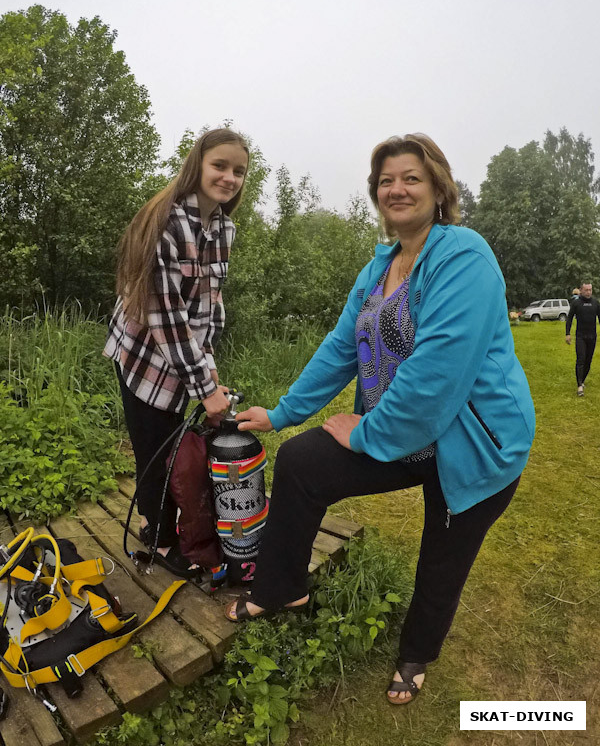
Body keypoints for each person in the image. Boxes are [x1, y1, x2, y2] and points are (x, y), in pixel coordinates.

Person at [224, 133, 535, 706]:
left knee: (442, 550)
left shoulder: (463, 256)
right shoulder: (380, 267)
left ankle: (416, 655)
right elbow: (341, 348)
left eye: (411, 177)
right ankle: (282, 587)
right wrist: (284, 412)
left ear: (439, 187)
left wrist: (367, 434)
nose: (397, 188)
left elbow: (435, 377)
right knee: (302, 461)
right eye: (386, 180)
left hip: (475, 442)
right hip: (407, 433)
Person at [104, 128, 249, 576]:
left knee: (172, 451)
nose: (228, 177)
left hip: (181, 359)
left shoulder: (224, 228)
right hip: (143, 358)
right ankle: (161, 540)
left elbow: (209, 309)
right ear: (197, 165)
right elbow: (165, 316)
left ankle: (168, 529)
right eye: (219, 166)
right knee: (153, 454)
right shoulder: (166, 222)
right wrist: (205, 389)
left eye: (238, 171)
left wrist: (209, 374)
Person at [565, 282, 600, 397]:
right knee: (581, 359)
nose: (588, 292)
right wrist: (567, 334)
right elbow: (569, 318)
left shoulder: (595, 303)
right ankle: (579, 386)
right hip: (580, 336)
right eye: (586, 290)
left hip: (592, 336)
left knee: (588, 361)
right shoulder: (576, 303)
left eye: (590, 290)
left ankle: (582, 380)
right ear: (581, 290)